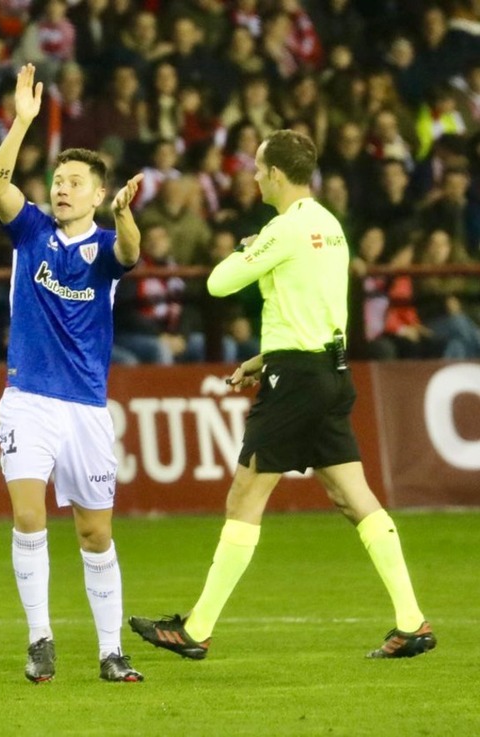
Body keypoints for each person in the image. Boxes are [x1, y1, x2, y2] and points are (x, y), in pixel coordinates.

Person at [128, 130, 435, 662]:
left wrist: (252, 251)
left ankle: (197, 629)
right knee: (351, 496)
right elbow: (314, 314)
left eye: (256, 167)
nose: (251, 175)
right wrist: (264, 358)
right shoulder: (331, 227)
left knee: (245, 496)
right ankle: (411, 621)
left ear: (275, 174)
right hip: (329, 372)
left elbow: (218, 284)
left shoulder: (285, 229)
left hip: (295, 382)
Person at [0, 64, 145, 684]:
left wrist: (128, 216)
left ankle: (111, 651)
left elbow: (129, 254)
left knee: (93, 531)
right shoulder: (30, 233)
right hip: (27, 398)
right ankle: (40, 639)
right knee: (29, 517)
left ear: (98, 195)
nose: (61, 189)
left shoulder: (105, 245)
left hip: (85, 408)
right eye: (57, 180)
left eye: (74, 182)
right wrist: (22, 121)